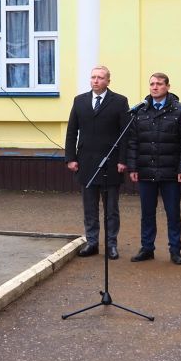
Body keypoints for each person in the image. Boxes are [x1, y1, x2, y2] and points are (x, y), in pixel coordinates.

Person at [127, 73, 181, 265]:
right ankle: (147, 248)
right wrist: (133, 166)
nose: (155, 87)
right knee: (147, 212)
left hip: (171, 172)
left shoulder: (179, 110)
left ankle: (175, 249)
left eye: (159, 84)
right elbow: (133, 141)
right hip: (146, 170)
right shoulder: (140, 111)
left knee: (173, 212)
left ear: (167, 87)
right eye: (152, 84)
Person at [65, 66, 130, 260]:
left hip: (111, 163)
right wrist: (71, 157)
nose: (95, 81)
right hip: (86, 163)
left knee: (111, 209)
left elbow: (125, 134)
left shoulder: (119, 101)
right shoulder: (80, 101)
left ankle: (111, 244)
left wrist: (123, 160)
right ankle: (92, 242)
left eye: (100, 78)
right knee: (89, 208)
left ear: (108, 81)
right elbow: (71, 131)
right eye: (93, 77)